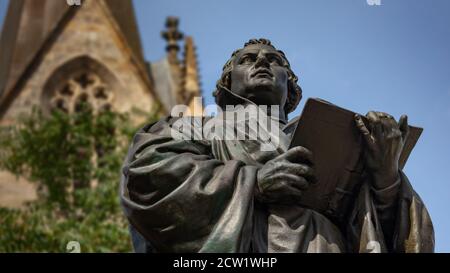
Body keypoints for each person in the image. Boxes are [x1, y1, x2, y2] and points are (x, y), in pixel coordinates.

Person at [120, 38, 434, 253]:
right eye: (247, 59)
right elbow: (149, 173)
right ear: (227, 82)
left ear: (290, 84)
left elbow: (389, 237)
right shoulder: (196, 126)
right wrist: (252, 183)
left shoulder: (331, 134)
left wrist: (386, 178)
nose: (261, 62)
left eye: (274, 61)